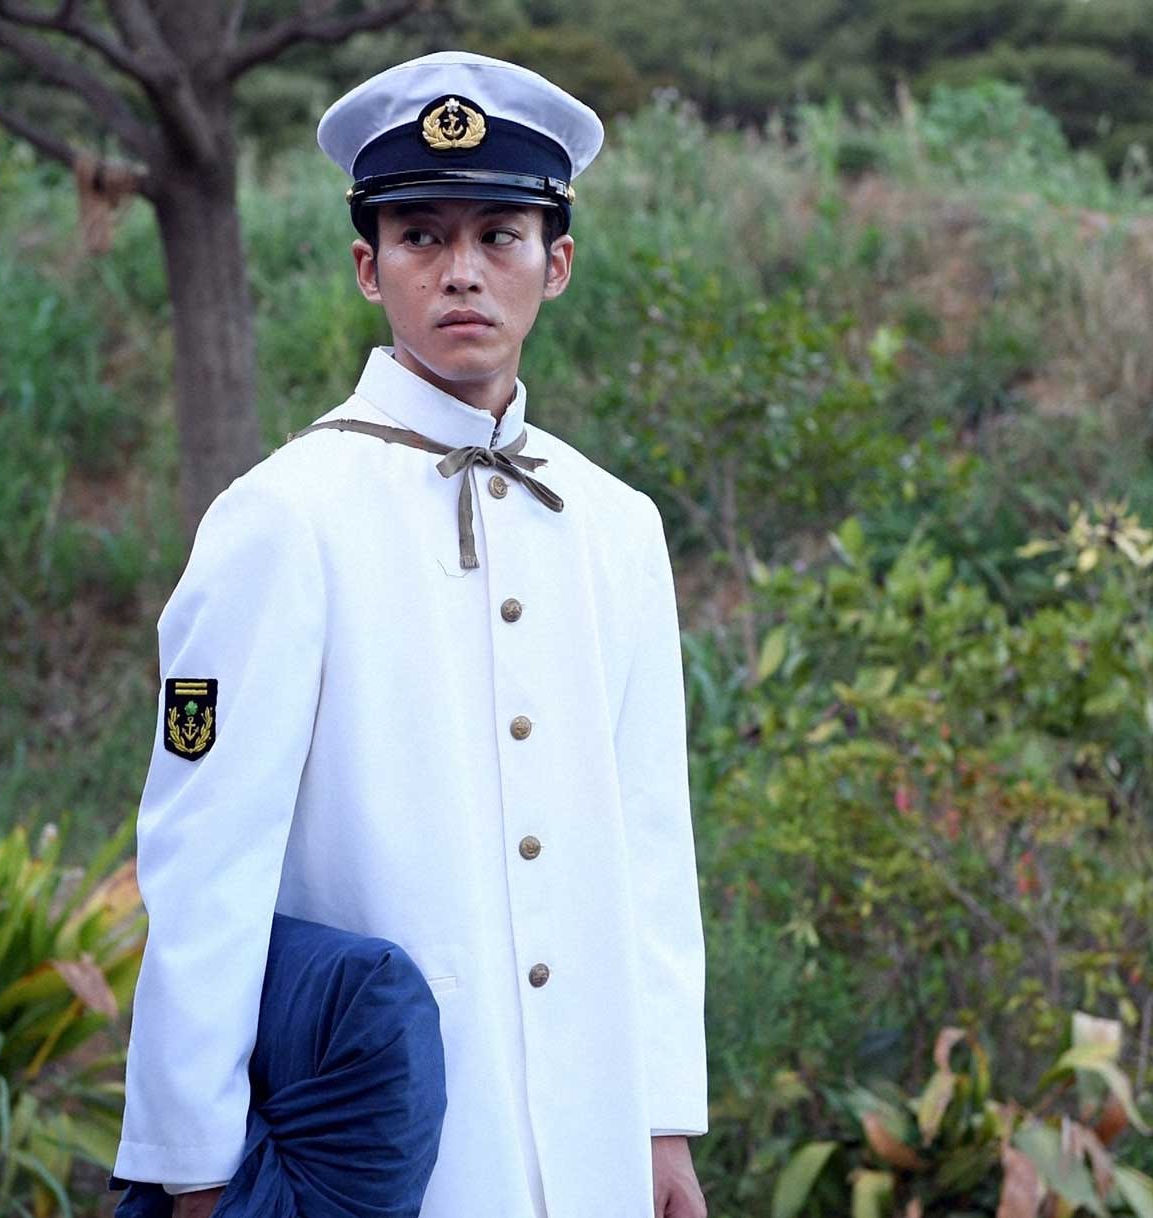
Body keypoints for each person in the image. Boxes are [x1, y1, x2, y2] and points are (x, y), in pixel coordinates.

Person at [114, 50, 709, 1218]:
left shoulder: (617, 525)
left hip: (590, 1144)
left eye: (500, 236)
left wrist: (661, 1120)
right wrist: (196, 1167)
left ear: (557, 263)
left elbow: (650, 846)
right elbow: (204, 862)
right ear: (367, 266)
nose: (462, 272)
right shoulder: (282, 519)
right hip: (379, 1156)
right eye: (422, 236)